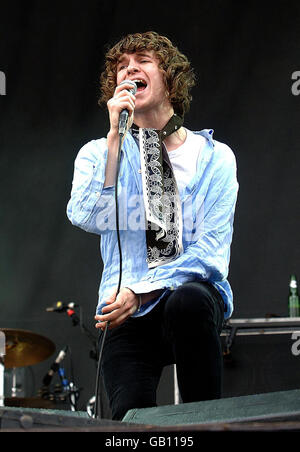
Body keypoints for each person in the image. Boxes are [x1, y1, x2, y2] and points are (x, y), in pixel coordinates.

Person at [67, 31, 239, 421]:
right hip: (124, 313)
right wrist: (115, 140)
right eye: (120, 67)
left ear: (170, 78)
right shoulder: (97, 153)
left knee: (189, 300)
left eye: (142, 60)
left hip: (184, 300)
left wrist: (144, 291)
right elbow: (85, 215)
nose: (129, 69)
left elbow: (211, 252)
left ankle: (205, 421)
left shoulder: (215, 158)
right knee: (133, 421)